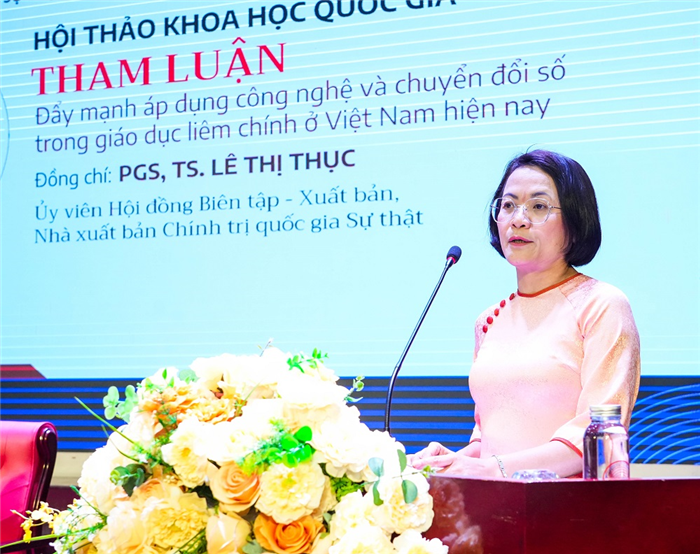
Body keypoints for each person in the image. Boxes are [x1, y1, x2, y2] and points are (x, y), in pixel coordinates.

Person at [410, 149, 641, 478]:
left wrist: (491, 469)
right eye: (508, 205)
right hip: (496, 501)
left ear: (575, 222)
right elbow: (488, 438)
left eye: (538, 206)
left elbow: (595, 437)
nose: (518, 219)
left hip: (566, 502)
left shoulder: (600, 304)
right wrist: (452, 462)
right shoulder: (489, 321)